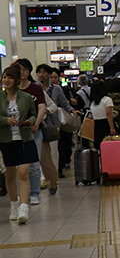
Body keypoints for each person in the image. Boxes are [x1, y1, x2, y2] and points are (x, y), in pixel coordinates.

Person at [0, 66, 38, 224]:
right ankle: (14, 204)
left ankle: (24, 206)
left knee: (23, 173)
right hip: (5, 140)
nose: (6, 80)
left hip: (24, 140)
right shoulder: (0, 98)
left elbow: (33, 113)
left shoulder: (26, 97)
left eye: (9, 77)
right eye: (4, 77)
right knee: (9, 175)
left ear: (16, 80)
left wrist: (31, 121)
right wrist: (5, 120)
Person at [14, 59, 47, 205]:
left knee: (34, 163)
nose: (22, 72)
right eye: (19, 69)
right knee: (17, 164)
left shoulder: (35, 89)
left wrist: (37, 123)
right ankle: (21, 194)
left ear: (29, 71)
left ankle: (34, 193)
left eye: (25, 69)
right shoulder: (12, 89)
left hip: (34, 131)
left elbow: (42, 107)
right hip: (15, 132)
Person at [36, 64, 70, 195]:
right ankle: (44, 178)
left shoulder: (56, 89)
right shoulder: (35, 89)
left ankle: (53, 178)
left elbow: (62, 104)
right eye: (39, 72)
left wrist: (71, 112)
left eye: (44, 72)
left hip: (52, 124)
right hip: (39, 125)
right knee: (41, 153)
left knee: (53, 152)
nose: (41, 75)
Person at [89, 79, 117, 147]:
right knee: (108, 146)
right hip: (105, 124)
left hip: (96, 125)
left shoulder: (92, 102)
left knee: (99, 146)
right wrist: (112, 128)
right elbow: (108, 114)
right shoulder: (107, 100)